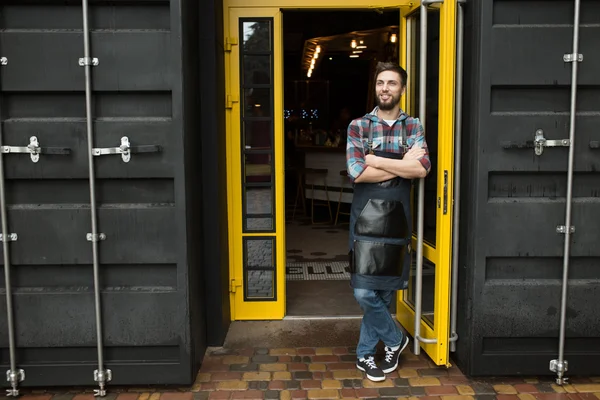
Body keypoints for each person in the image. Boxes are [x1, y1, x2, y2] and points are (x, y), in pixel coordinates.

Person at [345, 62, 431, 382]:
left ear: (402, 90)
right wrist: (401, 164)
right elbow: (357, 172)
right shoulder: (358, 126)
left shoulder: (414, 126)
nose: (385, 88)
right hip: (364, 219)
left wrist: (376, 160)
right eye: (380, 82)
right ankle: (395, 339)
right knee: (364, 292)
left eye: (391, 83)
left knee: (382, 292)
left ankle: (365, 355)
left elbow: (422, 169)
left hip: (397, 220)